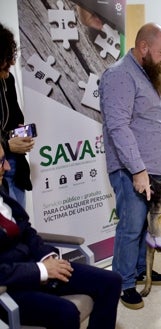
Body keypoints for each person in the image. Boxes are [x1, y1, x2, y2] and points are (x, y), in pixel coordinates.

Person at [99, 23, 161, 309]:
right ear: (144, 47)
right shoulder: (119, 76)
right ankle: (123, 283)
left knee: (147, 225)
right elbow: (118, 127)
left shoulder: (155, 75)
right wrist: (138, 170)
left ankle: (139, 270)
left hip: (158, 165)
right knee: (131, 225)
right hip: (132, 169)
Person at [0, 140, 122, 329]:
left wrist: (48, 257)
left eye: (5, 160)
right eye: (1, 162)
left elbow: (28, 232)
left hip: (36, 266)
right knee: (66, 313)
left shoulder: (3, 193)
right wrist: (41, 270)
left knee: (111, 282)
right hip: (9, 289)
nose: (7, 167)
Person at [0, 23, 34, 208]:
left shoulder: (8, 79)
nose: (11, 64)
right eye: (5, 59)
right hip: (3, 165)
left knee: (20, 225)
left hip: (15, 166)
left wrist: (20, 135)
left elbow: (15, 118)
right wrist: (7, 144)